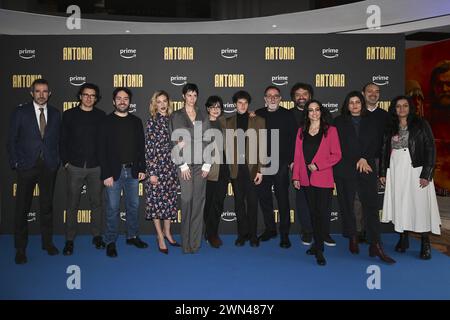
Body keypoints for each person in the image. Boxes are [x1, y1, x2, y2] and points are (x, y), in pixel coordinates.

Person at [334, 91, 395, 264]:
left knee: (371, 206)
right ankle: (353, 236)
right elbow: (338, 145)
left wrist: (364, 158)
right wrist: (357, 158)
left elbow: (377, 143)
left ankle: (375, 244)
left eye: (358, 102)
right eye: (351, 102)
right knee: (347, 205)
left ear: (362, 104)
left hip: (367, 167)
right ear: (347, 105)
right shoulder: (338, 122)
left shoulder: (372, 121)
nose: (354, 105)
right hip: (345, 168)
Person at [380, 95, 441, 259]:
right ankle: (403, 237)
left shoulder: (421, 124)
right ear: (394, 109)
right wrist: (382, 172)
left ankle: (425, 241)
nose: (401, 109)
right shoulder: (390, 126)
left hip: (416, 169)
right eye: (398, 106)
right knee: (401, 203)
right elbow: (384, 150)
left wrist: (426, 173)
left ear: (410, 107)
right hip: (396, 169)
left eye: (405, 106)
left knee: (420, 205)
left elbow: (430, 148)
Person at [7, 78, 61, 264]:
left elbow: (58, 140)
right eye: (37, 91)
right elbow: (11, 139)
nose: (41, 94)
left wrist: (57, 160)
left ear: (49, 93)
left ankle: (47, 243)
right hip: (27, 166)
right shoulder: (20, 112)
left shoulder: (55, 113)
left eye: (45, 91)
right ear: (32, 93)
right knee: (22, 208)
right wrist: (16, 162)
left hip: (49, 166)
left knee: (46, 207)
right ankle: (20, 248)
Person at [98, 87, 148, 258]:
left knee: (133, 206)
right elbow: (101, 150)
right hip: (113, 172)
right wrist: (105, 174)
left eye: (125, 98)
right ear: (113, 101)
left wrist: (142, 168)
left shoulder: (136, 121)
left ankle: (132, 236)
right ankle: (111, 241)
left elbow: (141, 147)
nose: (122, 101)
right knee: (112, 208)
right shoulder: (106, 121)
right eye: (119, 98)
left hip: (132, 171)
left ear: (129, 102)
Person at [292, 100, 341, 265]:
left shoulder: (330, 131)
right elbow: (297, 156)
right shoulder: (301, 131)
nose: (314, 113)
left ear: (321, 112)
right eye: (310, 110)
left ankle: (319, 249)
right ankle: (316, 244)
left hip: (323, 178)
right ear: (306, 113)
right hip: (305, 178)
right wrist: (296, 176)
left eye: (317, 110)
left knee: (321, 214)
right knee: (312, 213)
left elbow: (337, 155)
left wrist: (319, 166)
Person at [60, 83, 106, 256]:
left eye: (92, 95)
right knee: (72, 205)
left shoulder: (101, 116)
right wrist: (66, 162)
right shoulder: (69, 115)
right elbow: (62, 140)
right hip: (75, 167)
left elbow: (104, 143)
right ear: (80, 96)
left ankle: (96, 236)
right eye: (86, 95)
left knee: (97, 203)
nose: (89, 98)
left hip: (96, 167)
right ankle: (69, 240)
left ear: (96, 98)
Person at [169, 83, 211, 254]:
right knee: (187, 201)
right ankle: (186, 243)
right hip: (185, 165)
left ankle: (195, 243)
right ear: (183, 96)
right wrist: (182, 164)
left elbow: (209, 139)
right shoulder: (176, 116)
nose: (192, 98)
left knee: (199, 202)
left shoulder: (202, 114)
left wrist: (208, 163)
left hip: (201, 164)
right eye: (189, 95)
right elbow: (174, 141)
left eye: (195, 95)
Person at [255, 86, 296, 248]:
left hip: (281, 165)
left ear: (280, 98)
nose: (272, 98)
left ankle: (284, 234)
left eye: (275, 96)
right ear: (265, 99)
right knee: (264, 199)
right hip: (262, 165)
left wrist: (291, 161)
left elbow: (294, 140)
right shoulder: (257, 114)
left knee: (283, 200)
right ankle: (270, 229)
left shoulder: (288, 115)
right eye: (269, 96)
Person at [224, 90, 265, 247]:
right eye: (239, 103)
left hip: (253, 169)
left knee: (253, 204)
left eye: (245, 103)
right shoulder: (228, 122)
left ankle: (253, 235)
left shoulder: (258, 120)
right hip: (236, 170)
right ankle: (242, 235)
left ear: (248, 105)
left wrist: (261, 170)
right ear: (235, 105)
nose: (242, 105)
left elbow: (263, 147)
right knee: (239, 203)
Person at [144, 90, 180, 254]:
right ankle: (159, 236)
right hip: (157, 169)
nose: (162, 104)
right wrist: (151, 172)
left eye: (164, 101)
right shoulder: (152, 122)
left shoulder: (173, 121)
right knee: (156, 205)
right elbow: (149, 150)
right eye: (159, 101)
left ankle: (168, 232)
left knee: (169, 203)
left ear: (168, 102)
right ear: (154, 104)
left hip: (171, 169)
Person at [357, 82, 390, 243]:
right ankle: (359, 231)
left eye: (376, 91)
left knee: (373, 198)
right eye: (369, 91)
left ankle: (372, 231)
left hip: (377, 161)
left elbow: (389, 143)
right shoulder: (356, 113)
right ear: (363, 93)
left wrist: (383, 167)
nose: (373, 94)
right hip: (358, 161)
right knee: (357, 198)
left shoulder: (386, 116)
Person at [289, 83, 315, 246]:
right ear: (293, 97)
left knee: (321, 200)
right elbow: (286, 141)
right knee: (302, 200)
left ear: (310, 96)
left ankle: (322, 231)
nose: (301, 97)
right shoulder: (288, 115)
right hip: (298, 164)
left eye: (305, 93)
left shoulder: (320, 113)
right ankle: (307, 231)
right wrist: (293, 162)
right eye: (298, 94)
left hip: (319, 165)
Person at [203, 95, 229, 248]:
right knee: (209, 202)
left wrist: (251, 114)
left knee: (218, 202)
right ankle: (209, 232)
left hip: (224, 167)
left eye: (218, 107)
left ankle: (212, 233)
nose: (215, 110)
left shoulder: (225, 121)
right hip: (210, 168)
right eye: (212, 107)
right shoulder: (202, 123)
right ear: (207, 108)